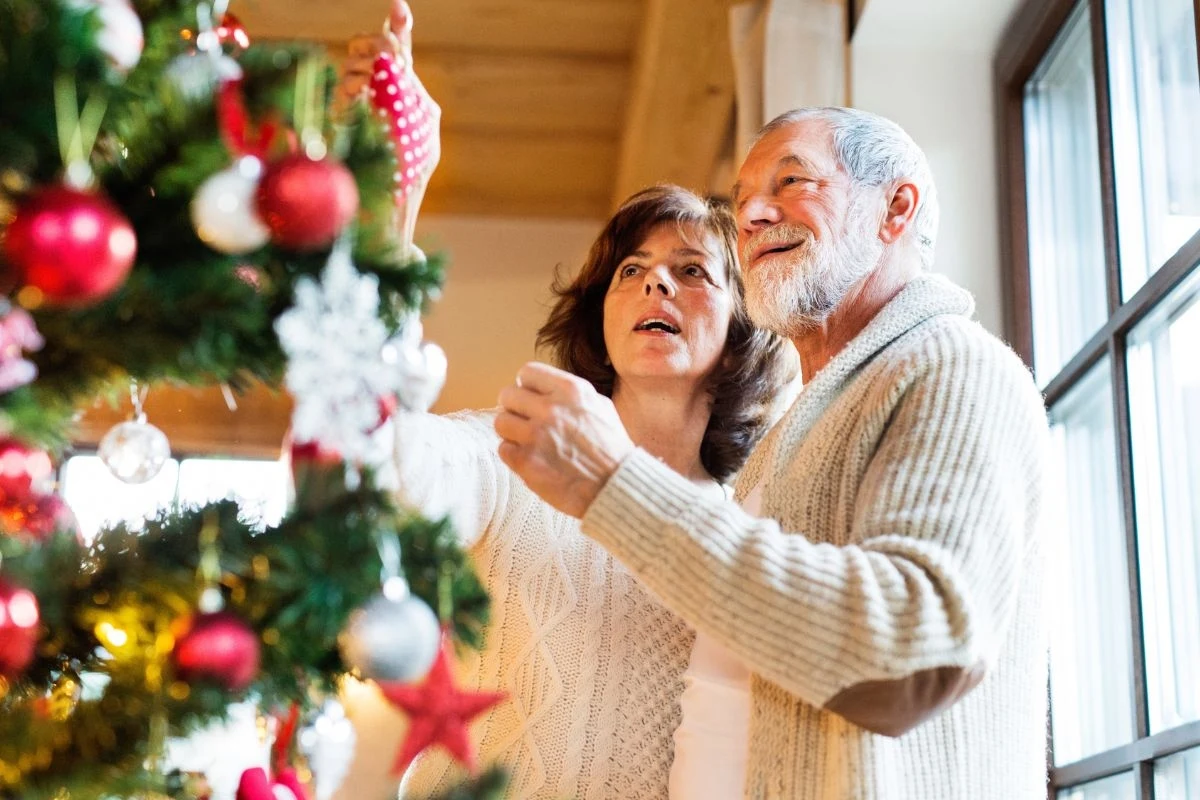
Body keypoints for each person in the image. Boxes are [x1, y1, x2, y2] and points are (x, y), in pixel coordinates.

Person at [495, 106, 1052, 799]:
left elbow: (914, 647)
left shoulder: (955, 367)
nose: (752, 213)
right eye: (745, 196)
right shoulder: (788, 439)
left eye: (792, 182)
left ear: (895, 209)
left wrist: (616, 486)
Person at [336, 184, 794, 800]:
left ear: (744, 327)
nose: (656, 283)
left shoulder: (747, 524)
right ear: (600, 319)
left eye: (691, 271)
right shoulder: (515, 452)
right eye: (631, 270)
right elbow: (400, 478)